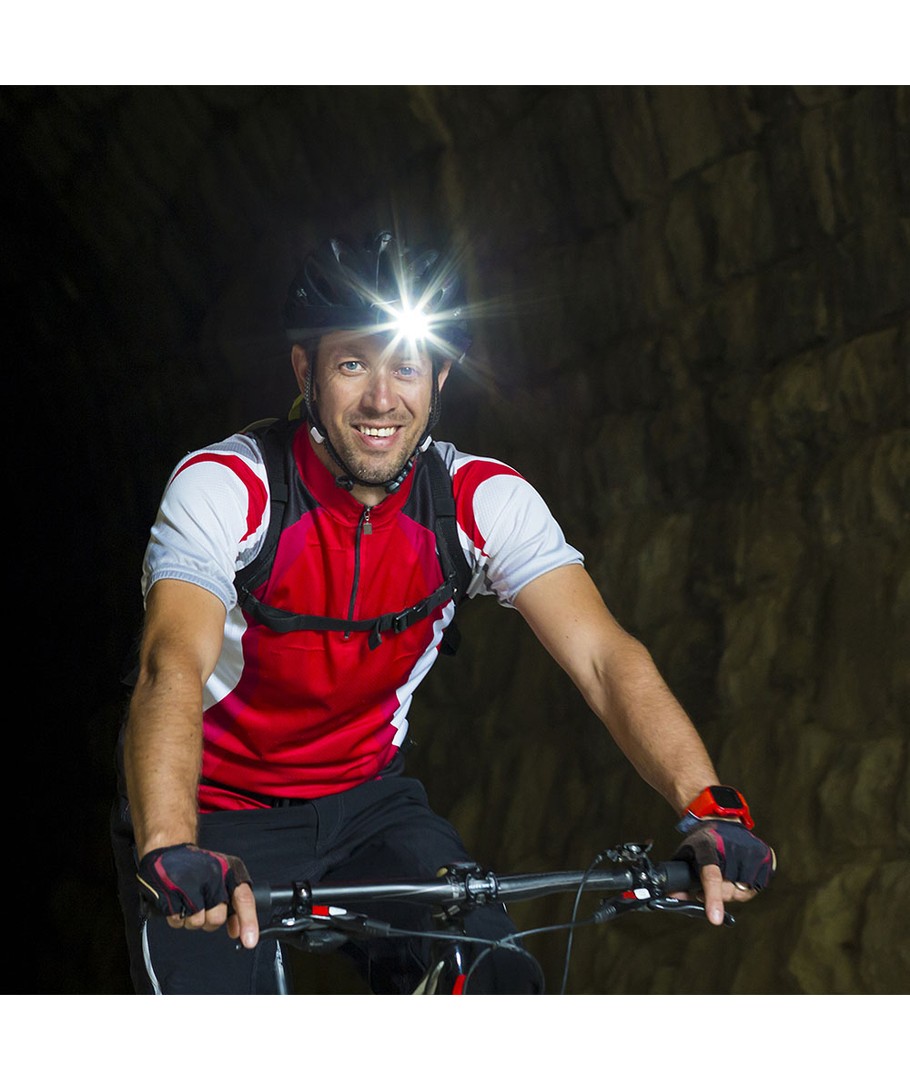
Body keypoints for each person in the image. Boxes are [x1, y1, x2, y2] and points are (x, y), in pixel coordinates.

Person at [111, 228, 775, 995]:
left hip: (370, 810)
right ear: (304, 371)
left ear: (440, 378)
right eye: (352, 363)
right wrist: (170, 841)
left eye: (407, 366)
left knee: (495, 983)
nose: (381, 398)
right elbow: (171, 663)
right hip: (211, 815)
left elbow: (603, 658)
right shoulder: (229, 487)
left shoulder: (479, 502)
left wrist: (708, 807)